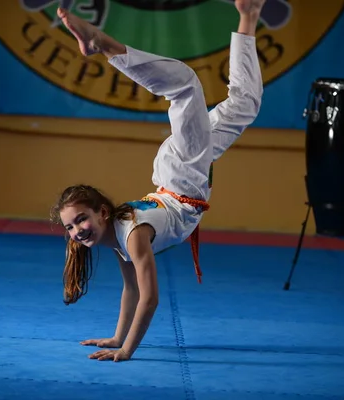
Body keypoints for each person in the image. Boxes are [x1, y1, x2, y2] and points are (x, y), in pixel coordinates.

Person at [50, 0, 266, 362]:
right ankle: (249, 13)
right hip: (178, 178)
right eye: (71, 227)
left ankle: (104, 45)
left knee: (184, 86)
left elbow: (151, 298)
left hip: (183, 176)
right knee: (244, 105)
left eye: (80, 220)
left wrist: (128, 351)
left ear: (102, 212)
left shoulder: (131, 234)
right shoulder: (117, 238)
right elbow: (132, 290)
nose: (77, 231)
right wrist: (117, 338)